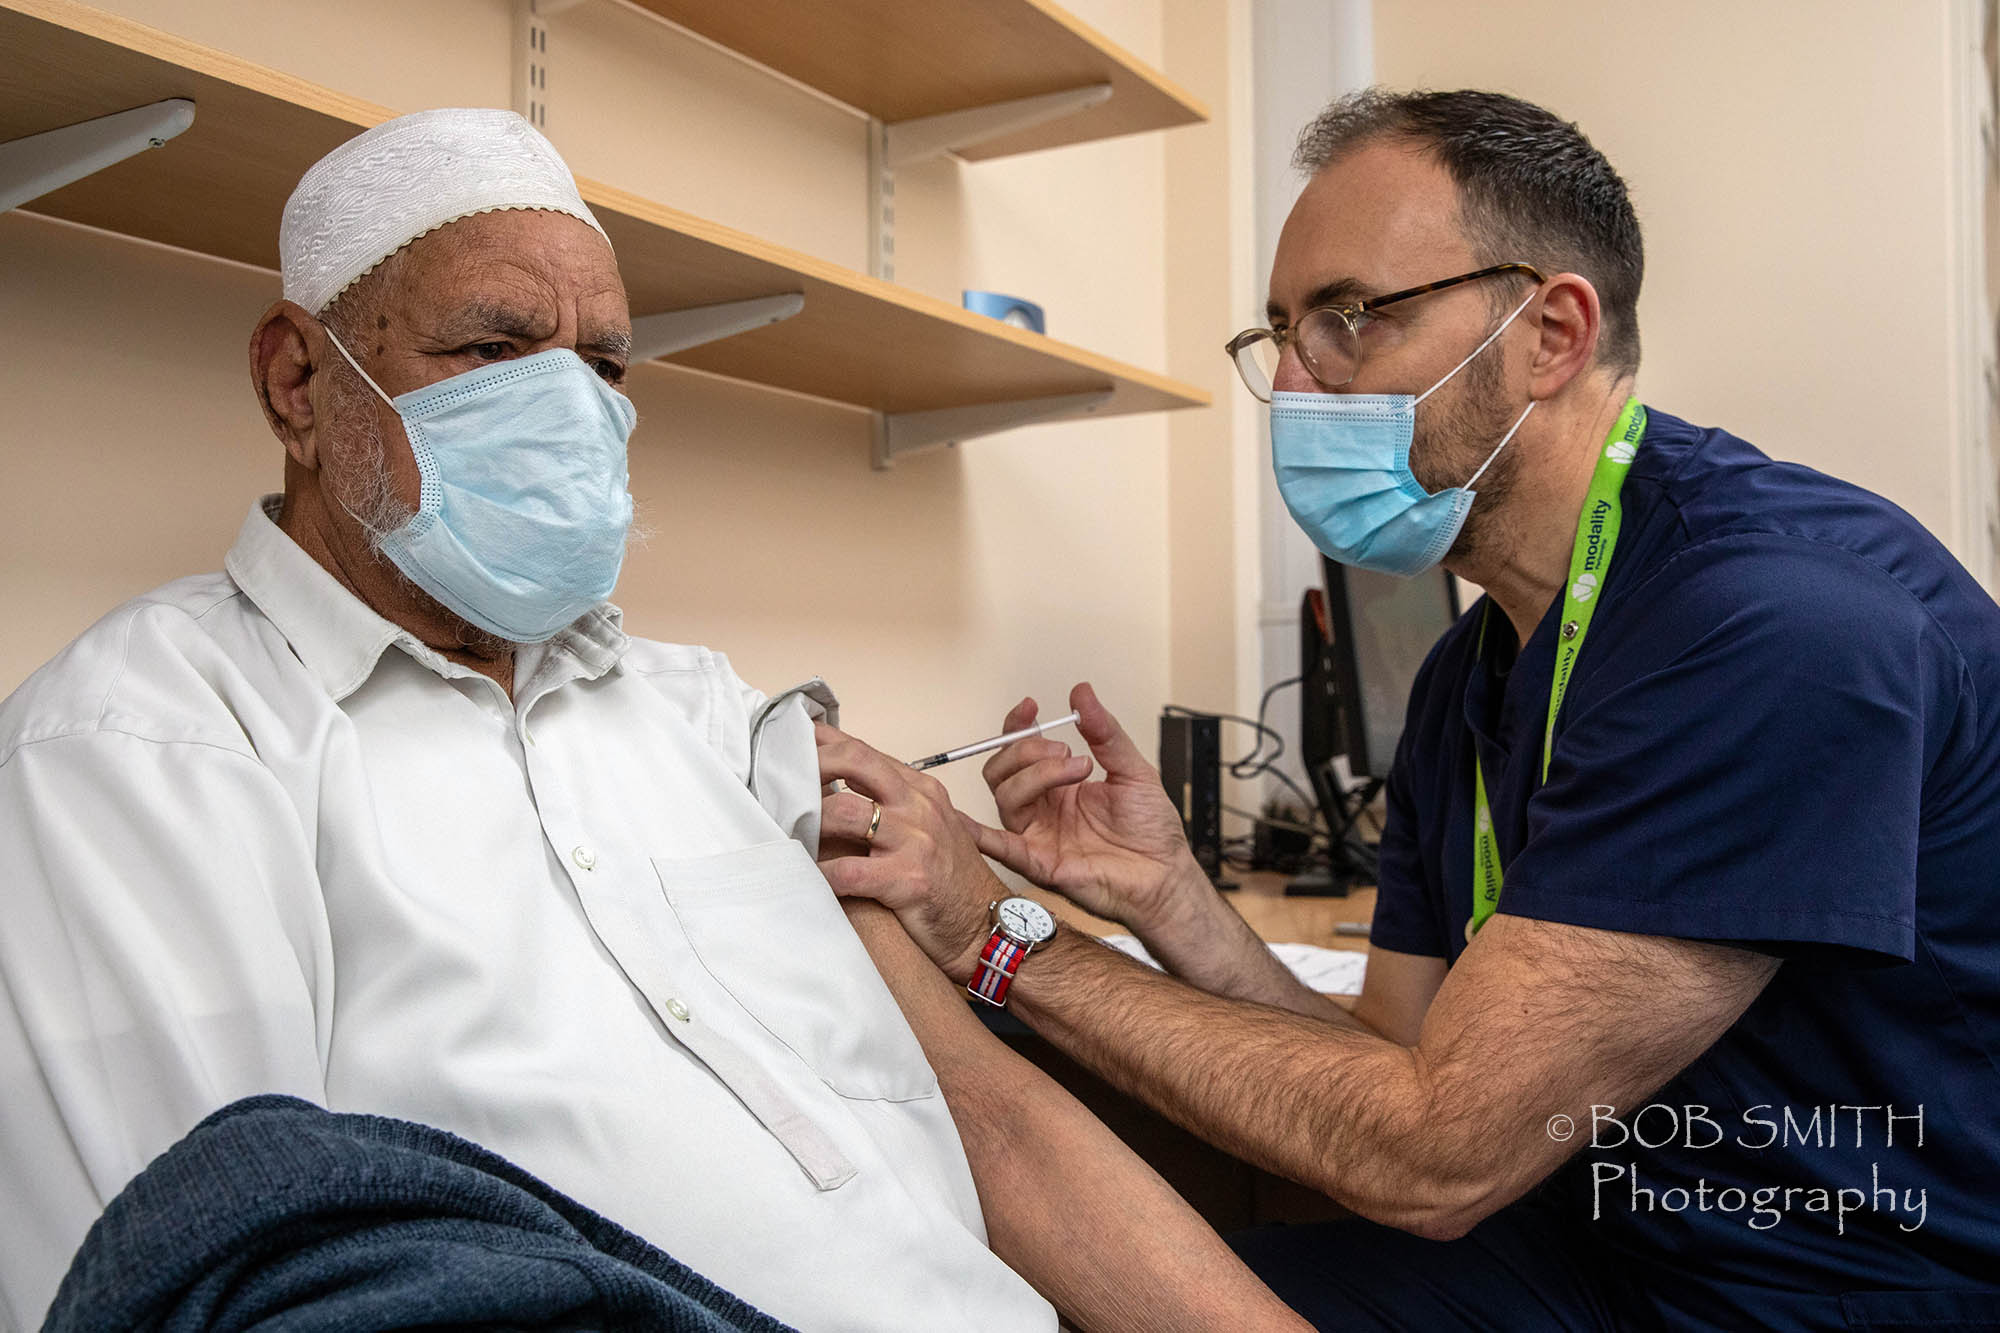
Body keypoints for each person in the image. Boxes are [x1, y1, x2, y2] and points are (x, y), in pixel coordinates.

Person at [0, 107, 1310, 1333]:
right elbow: (214, 1276)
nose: (571, 405)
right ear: (297, 380)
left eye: (605, 360)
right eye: (494, 347)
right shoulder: (145, 754)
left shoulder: (711, 719)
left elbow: (994, 1117)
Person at [815, 89, 2000, 1331]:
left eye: (1345, 319)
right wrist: (1172, 899)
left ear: (1548, 333)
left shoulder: (1771, 629)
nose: (1289, 379)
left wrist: (993, 932)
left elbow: (1433, 1152)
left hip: (1855, 1287)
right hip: (1598, 1239)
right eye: (1275, 332)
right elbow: (1398, 1059)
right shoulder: (1473, 663)